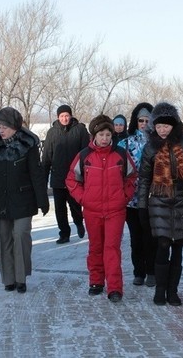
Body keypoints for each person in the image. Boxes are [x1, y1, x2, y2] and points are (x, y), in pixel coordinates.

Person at [138, 102, 183, 306]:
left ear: (174, 125)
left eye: (166, 126)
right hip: (159, 202)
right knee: (162, 246)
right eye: (159, 126)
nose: (162, 130)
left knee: (178, 249)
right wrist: (142, 206)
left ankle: (173, 291)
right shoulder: (150, 146)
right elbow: (144, 178)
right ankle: (160, 290)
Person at [66, 115, 137, 303]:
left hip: (115, 210)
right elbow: (71, 180)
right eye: (101, 134)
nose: (105, 138)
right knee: (96, 247)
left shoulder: (121, 155)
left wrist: (124, 197)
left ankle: (114, 287)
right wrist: (84, 198)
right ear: (94, 136)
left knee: (112, 248)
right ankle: (96, 281)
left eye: (108, 134)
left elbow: (131, 178)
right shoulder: (84, 156)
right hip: (92, 211)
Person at [0, 107, 49, 294]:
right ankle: (8, 279)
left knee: (21, 235)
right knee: (3, 239)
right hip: (1, 199)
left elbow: (36, 173)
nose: (1, 130)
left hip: (24, 199)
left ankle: (21, 277)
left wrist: (42, 200)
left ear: (15, 127)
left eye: (5, 126)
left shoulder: (28, 144)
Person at [117, 102, 157, 287]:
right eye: (140, 120)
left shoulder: (159, 143)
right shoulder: (125, 143)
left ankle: (151, 271)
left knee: (150, 236)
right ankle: (138, 271)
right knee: (135, 237)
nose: (144, 123)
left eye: (147, 120)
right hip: (131, 199)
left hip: (152, 197)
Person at [42, 104, 90, 244]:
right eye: (62, 116)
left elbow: (86, 154)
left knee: (75, 204)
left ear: (71, 116)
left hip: (75, 176)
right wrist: (43, 179)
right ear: (58, 117)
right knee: (59, 208)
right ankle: (64, 233)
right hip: (57, 177)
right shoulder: (52, 132)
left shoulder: (80, 130)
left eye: (67, 115)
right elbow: (46, 157)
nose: (64, 118)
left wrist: (85, 175)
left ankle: (78, 222)